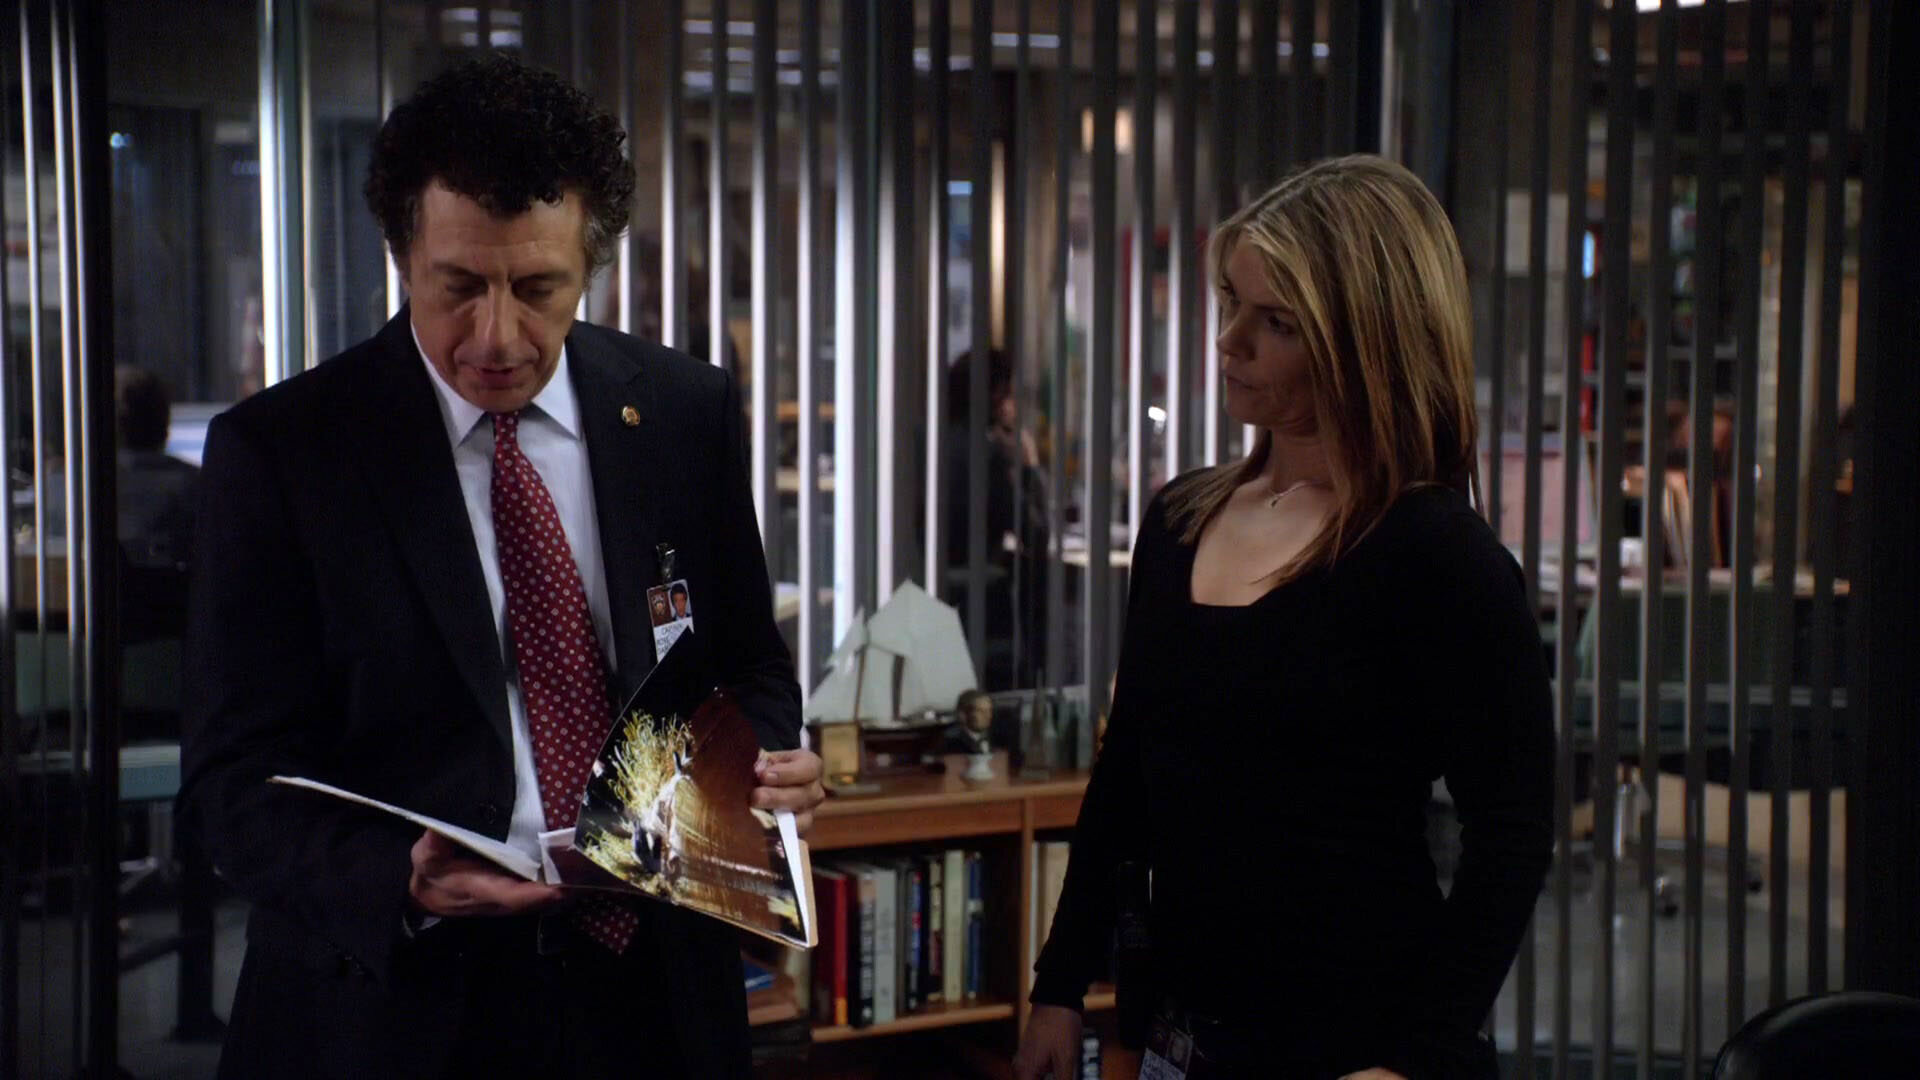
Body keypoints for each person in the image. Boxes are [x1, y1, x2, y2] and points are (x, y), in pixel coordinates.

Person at [179, 54, 822, 1079]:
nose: (498, 335)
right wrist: (397, 877)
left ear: (588, 268)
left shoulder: (680, 413)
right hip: (400, 1006)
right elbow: (229, 785)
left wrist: (767, 762)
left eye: (537, 289)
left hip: (653, 991)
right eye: (461, 287)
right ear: (403, 257)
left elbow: (748, 668)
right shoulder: (287, 453)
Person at [1014, 156, 1553, 1080]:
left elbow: (1511, 834)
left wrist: (1416, 1059)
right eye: (1231, 303)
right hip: (1184, 1033)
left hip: (1357, 1043)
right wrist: (1060, 983)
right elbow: (1127, 774)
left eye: (1277, 323)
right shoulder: (1180, 521)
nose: (1229, 341)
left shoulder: (1434, 554)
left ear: (1368, 342)